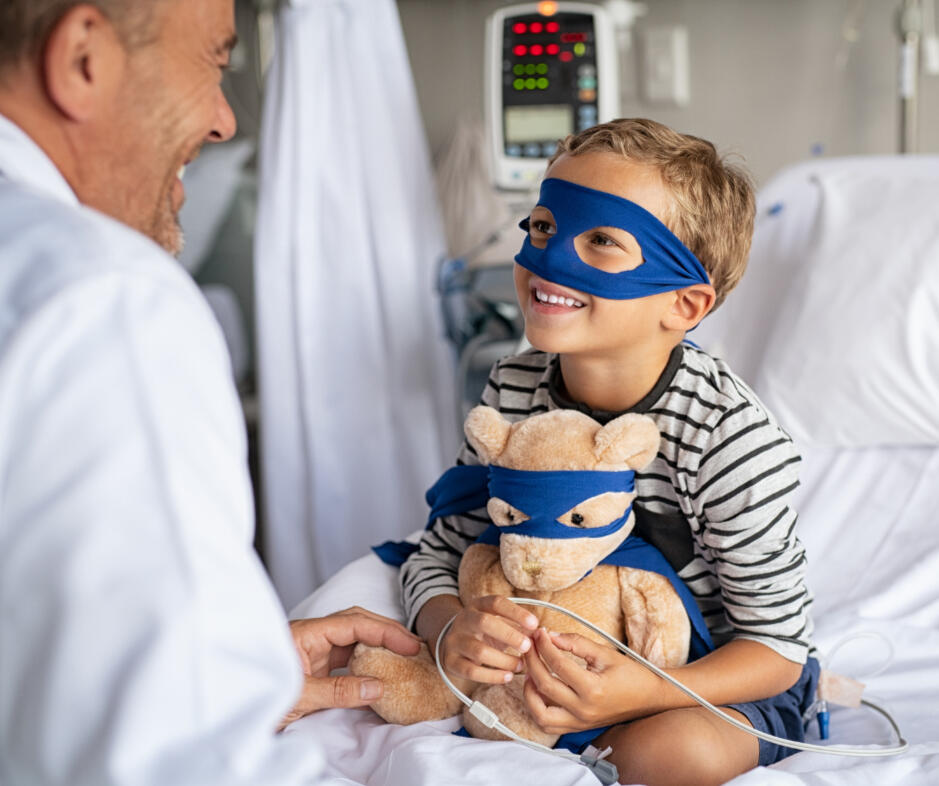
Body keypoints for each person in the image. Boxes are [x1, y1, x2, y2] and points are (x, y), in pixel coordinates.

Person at [0, 1, 420, 784]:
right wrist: (205, 704)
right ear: (83, 59)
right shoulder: (105, 301)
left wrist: (231, 680)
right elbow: (179, 767)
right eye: (215, 63)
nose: (224, 120)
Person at [401, 118, 817, 785]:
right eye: (540, 227)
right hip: (550, 661)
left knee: (668, 754)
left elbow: (778, 649)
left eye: (600, 240)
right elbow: (440, 551)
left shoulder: (729, 438)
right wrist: (453, 631)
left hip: (699, 678)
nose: (549, 256)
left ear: (683, 303)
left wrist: (642, 692)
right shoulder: (512, 387)